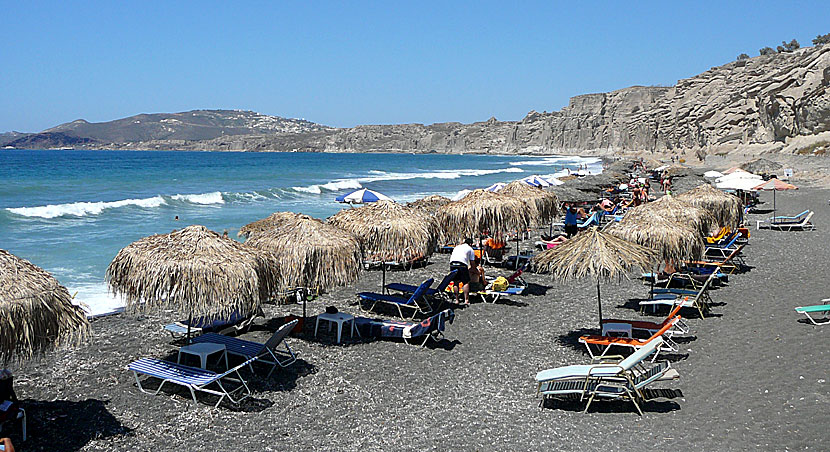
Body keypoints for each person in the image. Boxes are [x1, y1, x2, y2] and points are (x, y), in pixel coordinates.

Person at [449, 238, 476, 304]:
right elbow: (472, 262)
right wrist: (474, 270)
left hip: (452, 264)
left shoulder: (457, 247)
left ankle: (457, 300)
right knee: (466, 282)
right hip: (462, 265)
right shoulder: (470, 249)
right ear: (470, 244)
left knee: (456, 282)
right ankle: (466, 300)